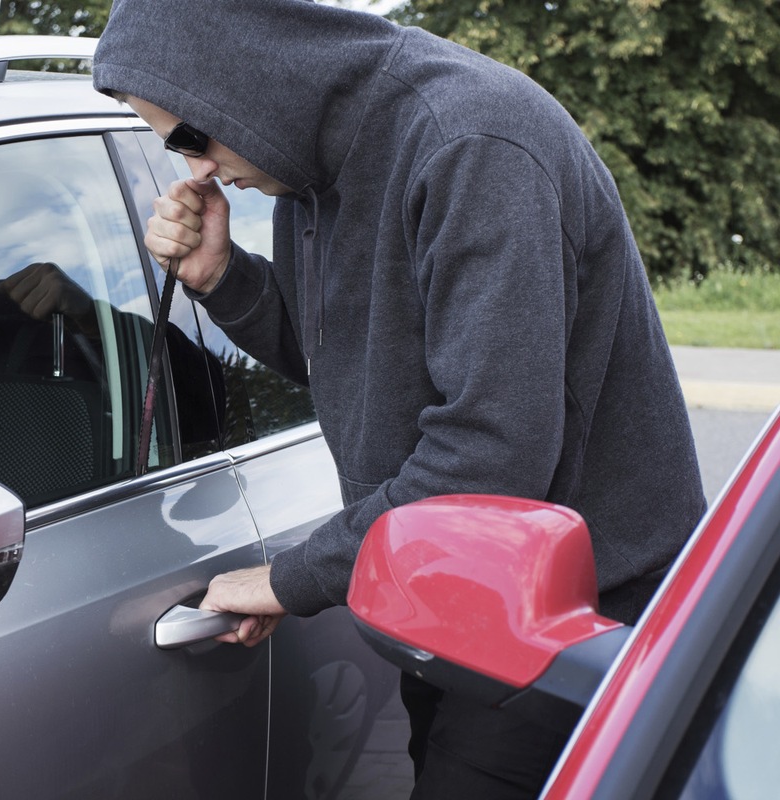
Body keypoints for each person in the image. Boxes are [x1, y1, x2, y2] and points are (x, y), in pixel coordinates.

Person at [91, 0, 708, 796]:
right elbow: (349, 365)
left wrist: (297, 576)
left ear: (245, 81)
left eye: (189, 137)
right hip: (454, 594)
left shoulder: (472, 144)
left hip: (575, 620)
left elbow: (489, 457)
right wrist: (223, 278)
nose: (196, 170)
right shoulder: (312, 174)